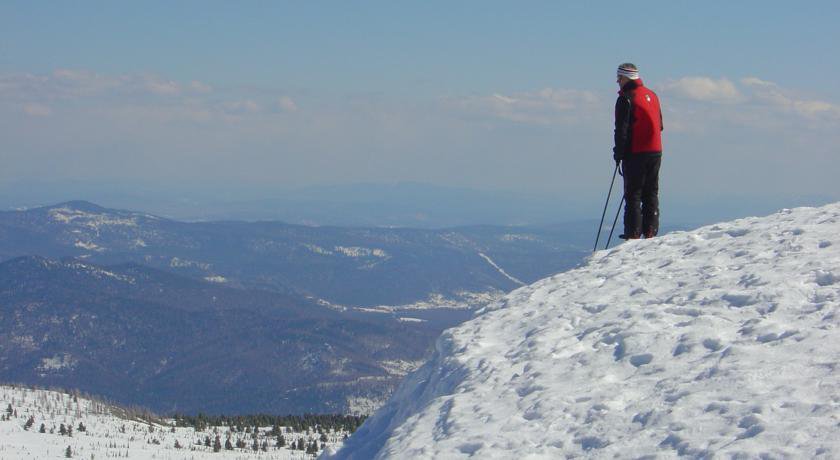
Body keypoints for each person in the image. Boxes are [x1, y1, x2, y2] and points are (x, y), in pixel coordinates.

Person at [613, 63, 663, 239]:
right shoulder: (653, 95)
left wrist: (618, 154)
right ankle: (650, 232)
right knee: (651, 191)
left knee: (633, 193)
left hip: (636, 152)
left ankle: (633, 233)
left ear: (626, 78)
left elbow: (621, 130)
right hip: (656, 150)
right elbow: (661, 125)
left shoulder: (626, 98)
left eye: (619, 78)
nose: (617, 81)